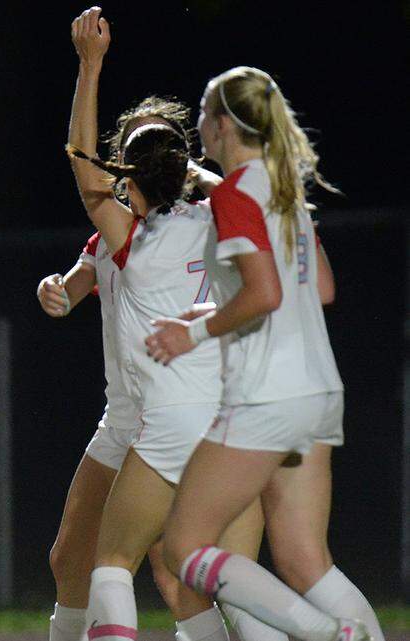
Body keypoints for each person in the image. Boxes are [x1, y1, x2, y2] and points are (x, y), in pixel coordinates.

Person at [146, 65, 383, 641]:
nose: (200, 125)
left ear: (223, 123)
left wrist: (191, 335)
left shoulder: (239, 196)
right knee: (305, 560)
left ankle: (325, 634)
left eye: (204, 114)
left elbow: (265, 292)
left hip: (266, 395)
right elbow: (317, 289)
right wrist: (208, 312)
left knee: (183, 547)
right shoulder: (283, 192)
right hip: (317, 390)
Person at [64, 11, 276, 641]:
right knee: (228, 583)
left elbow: (79, 157)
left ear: (129, 177)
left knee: (111, 565)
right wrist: (192, 173)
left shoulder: (134, 239)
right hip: (239, 421)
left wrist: (90, 64)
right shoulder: (223, 221)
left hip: (171, 422)